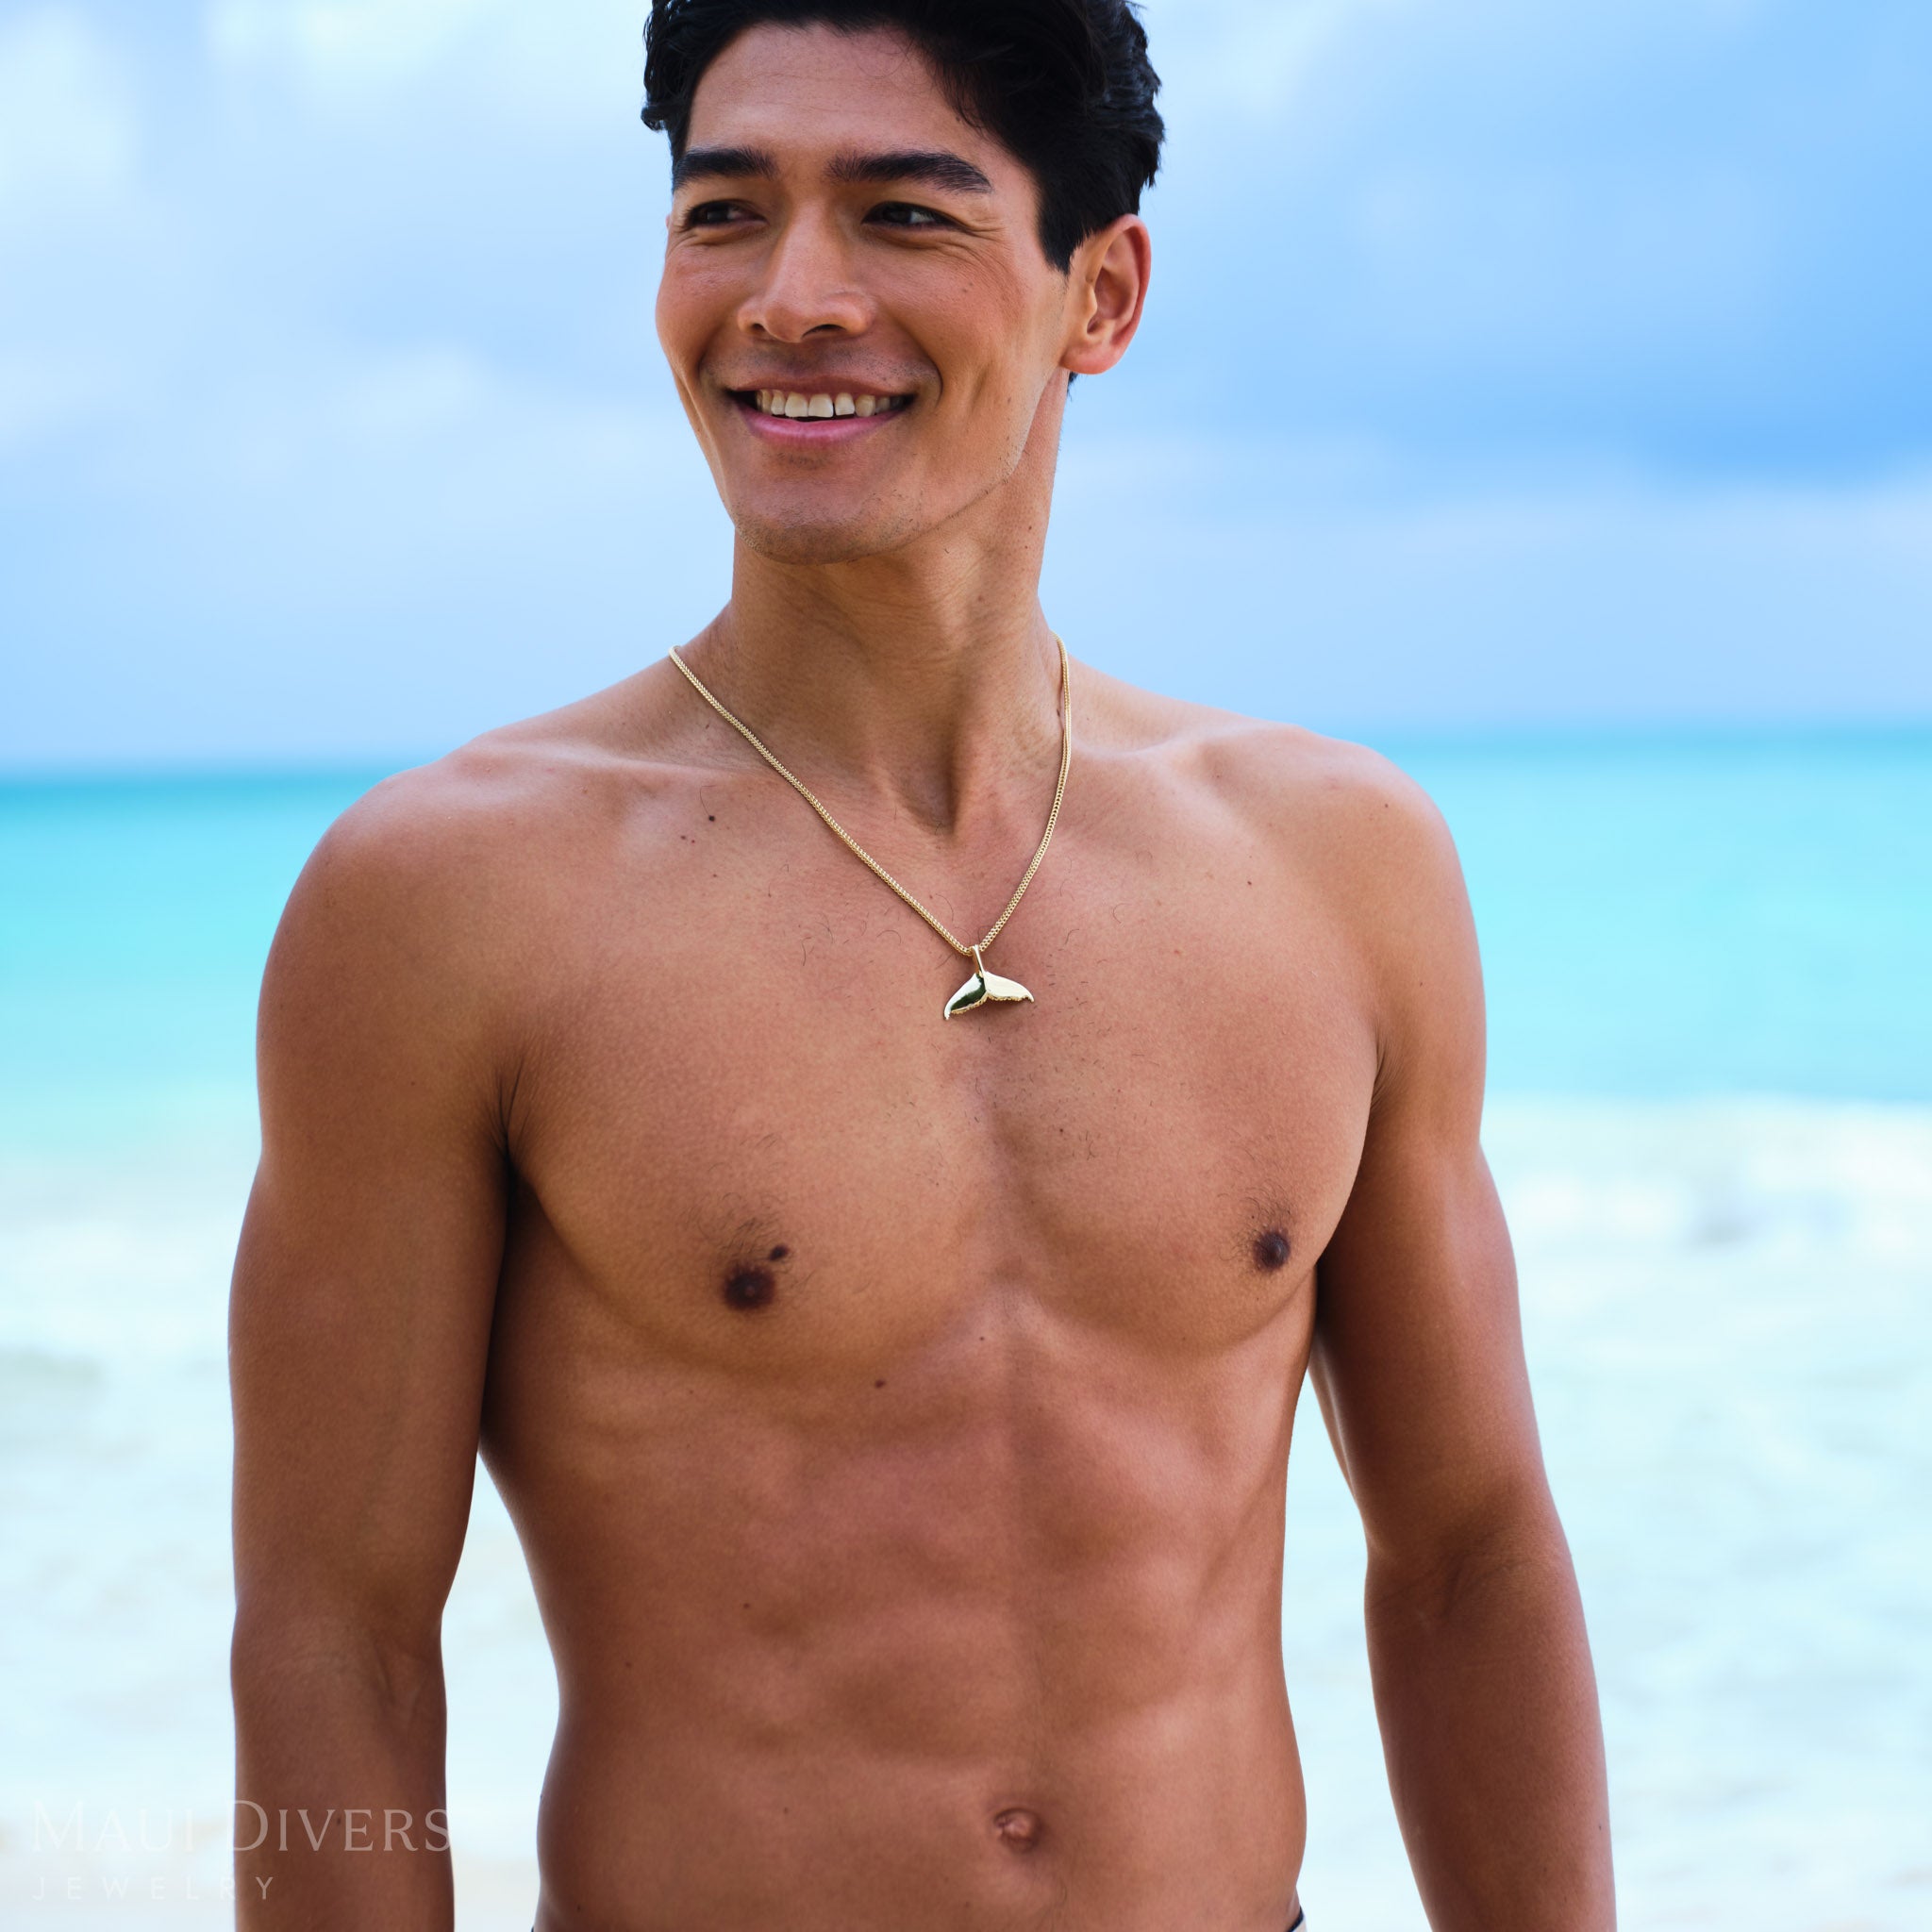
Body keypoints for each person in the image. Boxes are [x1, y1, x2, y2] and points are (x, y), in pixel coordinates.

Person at [227, 2, 1615, 1926]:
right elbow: (337, 1640)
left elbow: (1470, 1554)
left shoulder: (1336, 864)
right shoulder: (451, 900)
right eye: (725, 213)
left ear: (1098, 296)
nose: (791, 298)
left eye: (903, 215)